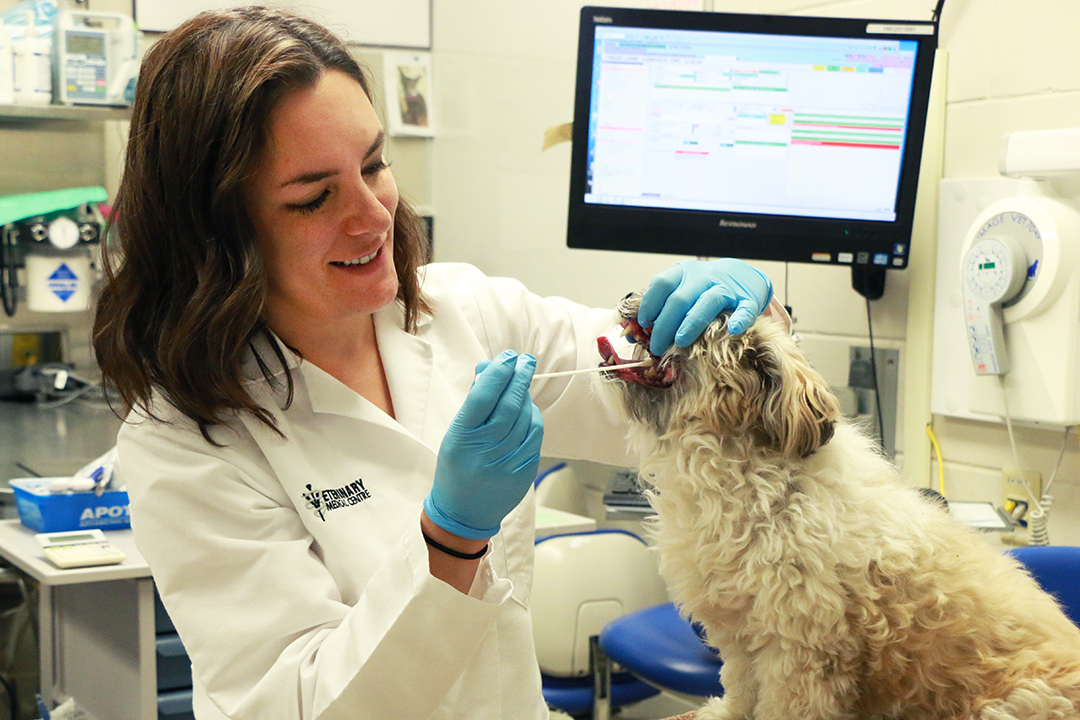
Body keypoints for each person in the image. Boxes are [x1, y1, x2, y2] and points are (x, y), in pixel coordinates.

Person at [91, 7, 775, 719]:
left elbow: (672, 394)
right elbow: (296, 704)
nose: (373, 215)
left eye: (374, 165)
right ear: (217, 231)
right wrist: (450, 537)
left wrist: (739, 321)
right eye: (314, 197)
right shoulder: (186, 438)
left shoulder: (465, 312)